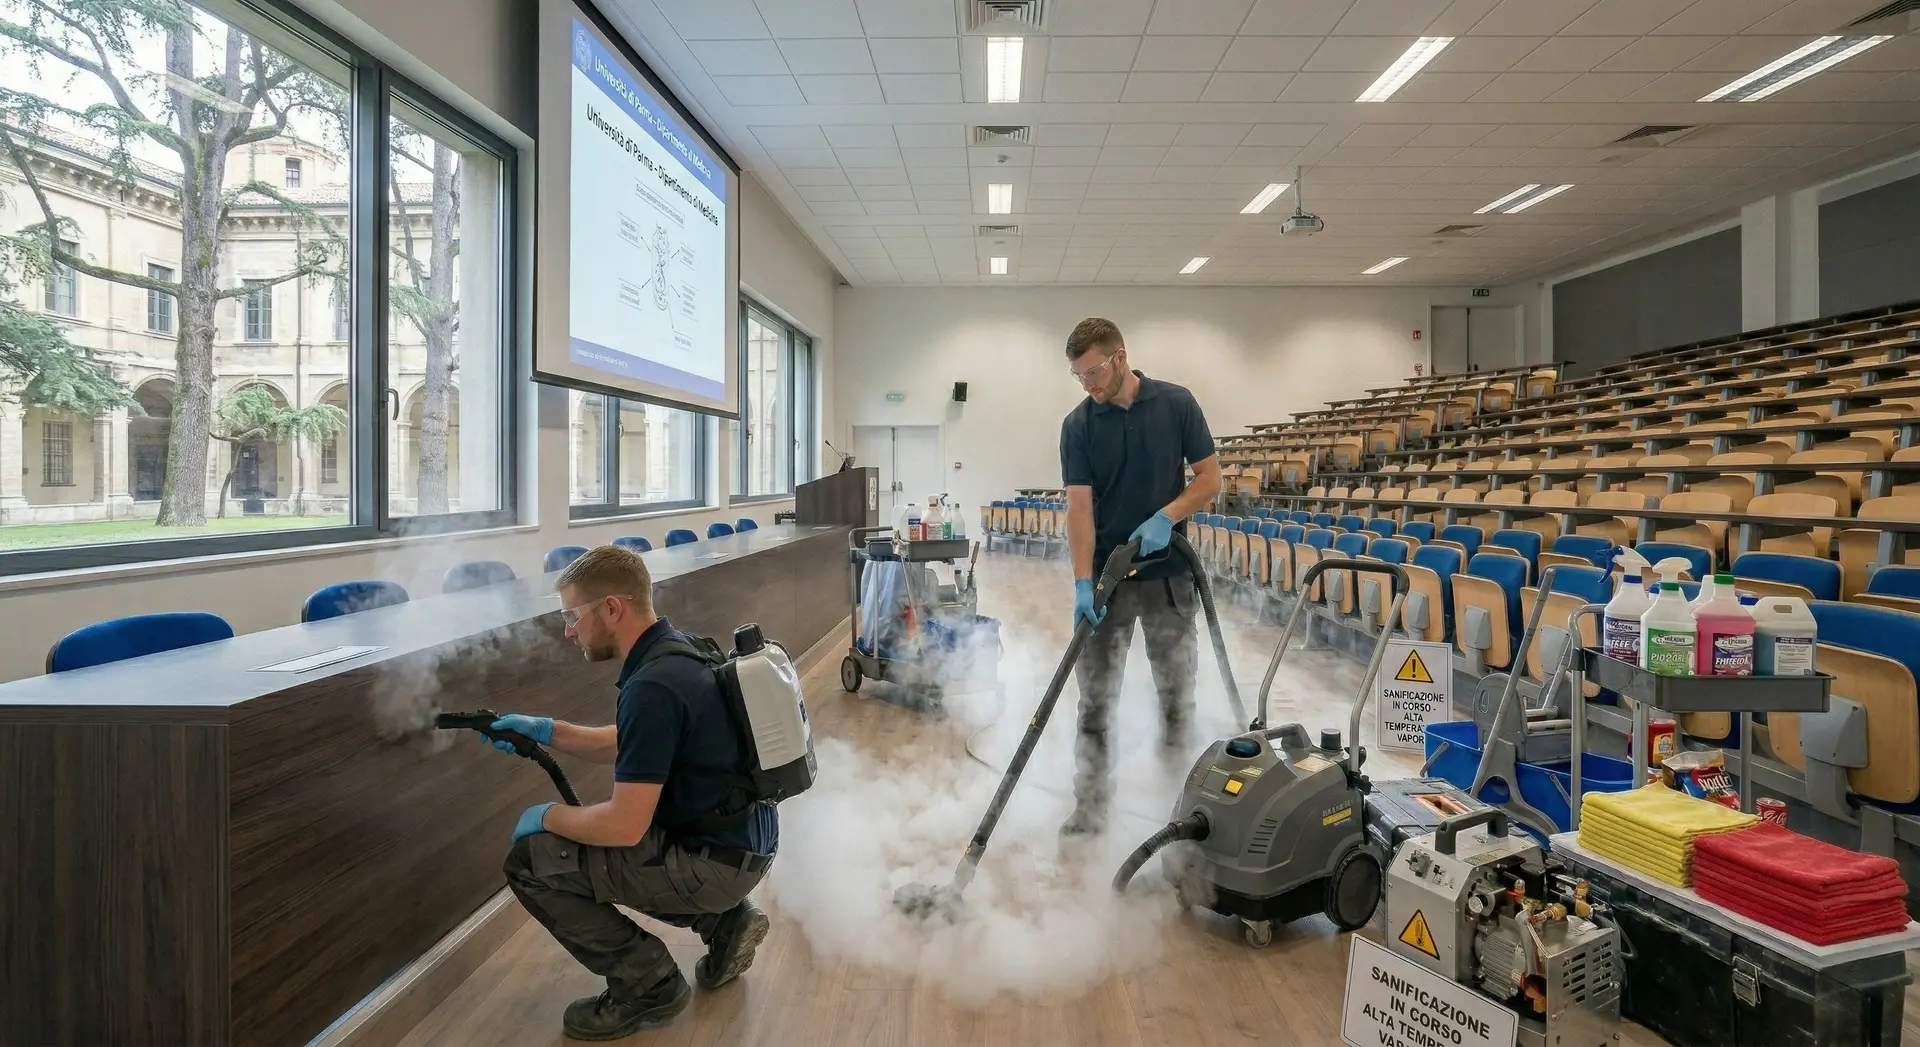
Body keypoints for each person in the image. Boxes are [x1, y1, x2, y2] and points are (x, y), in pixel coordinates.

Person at [481, 545, 777, 1040]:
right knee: (609, 842)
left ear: (612, 608)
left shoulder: (652, 686)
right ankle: (725, 923)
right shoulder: (679, 650)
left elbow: (624, 825)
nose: (568, 630)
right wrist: (547, 730)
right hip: (743, 844)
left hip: (716, 863)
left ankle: (648, 985)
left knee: (532, 861)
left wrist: (547, 815)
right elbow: (635, 743)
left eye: (572, 615)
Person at [1058, 317, 1221, 837]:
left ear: (1120, 356)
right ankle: (1090, 807)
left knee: (1177, 698)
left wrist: (1167, 516)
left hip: (1169, 577)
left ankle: (1180, 812)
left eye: (1094, 372)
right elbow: (1079, 511)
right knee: (1095, 701)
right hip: (1108, 583)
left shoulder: (1176, 404)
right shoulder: (1078, 425)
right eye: (1079, 376)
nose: (1089, 384)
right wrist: (1083, 582)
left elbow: (1210, 479)